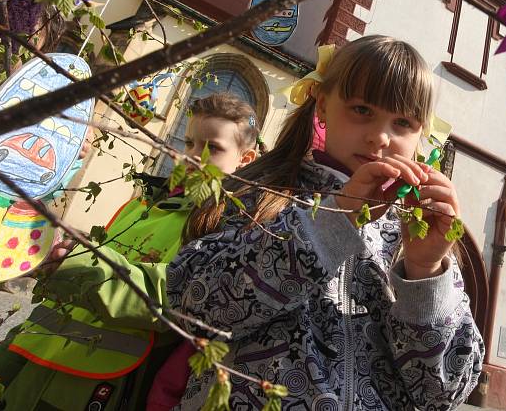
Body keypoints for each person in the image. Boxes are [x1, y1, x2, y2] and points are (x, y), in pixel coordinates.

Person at [167, 35, 485, 410]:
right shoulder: (260, 195)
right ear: (322, 105)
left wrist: (425, 271)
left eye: (403, 122)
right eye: (362, 110)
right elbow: (193, 309)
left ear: (422, 134)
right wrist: (331, 222)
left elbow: (444, 392)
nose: (380, 137)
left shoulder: (415, 233)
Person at [0, 92, 264, 411]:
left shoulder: (224, 229)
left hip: (97, 386)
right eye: (189, 142)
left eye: (213, 148)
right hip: (38, 362)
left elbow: (169, 297)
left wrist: (73, 264)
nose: (193, 156)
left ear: (245, 160)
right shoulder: (144, 204)